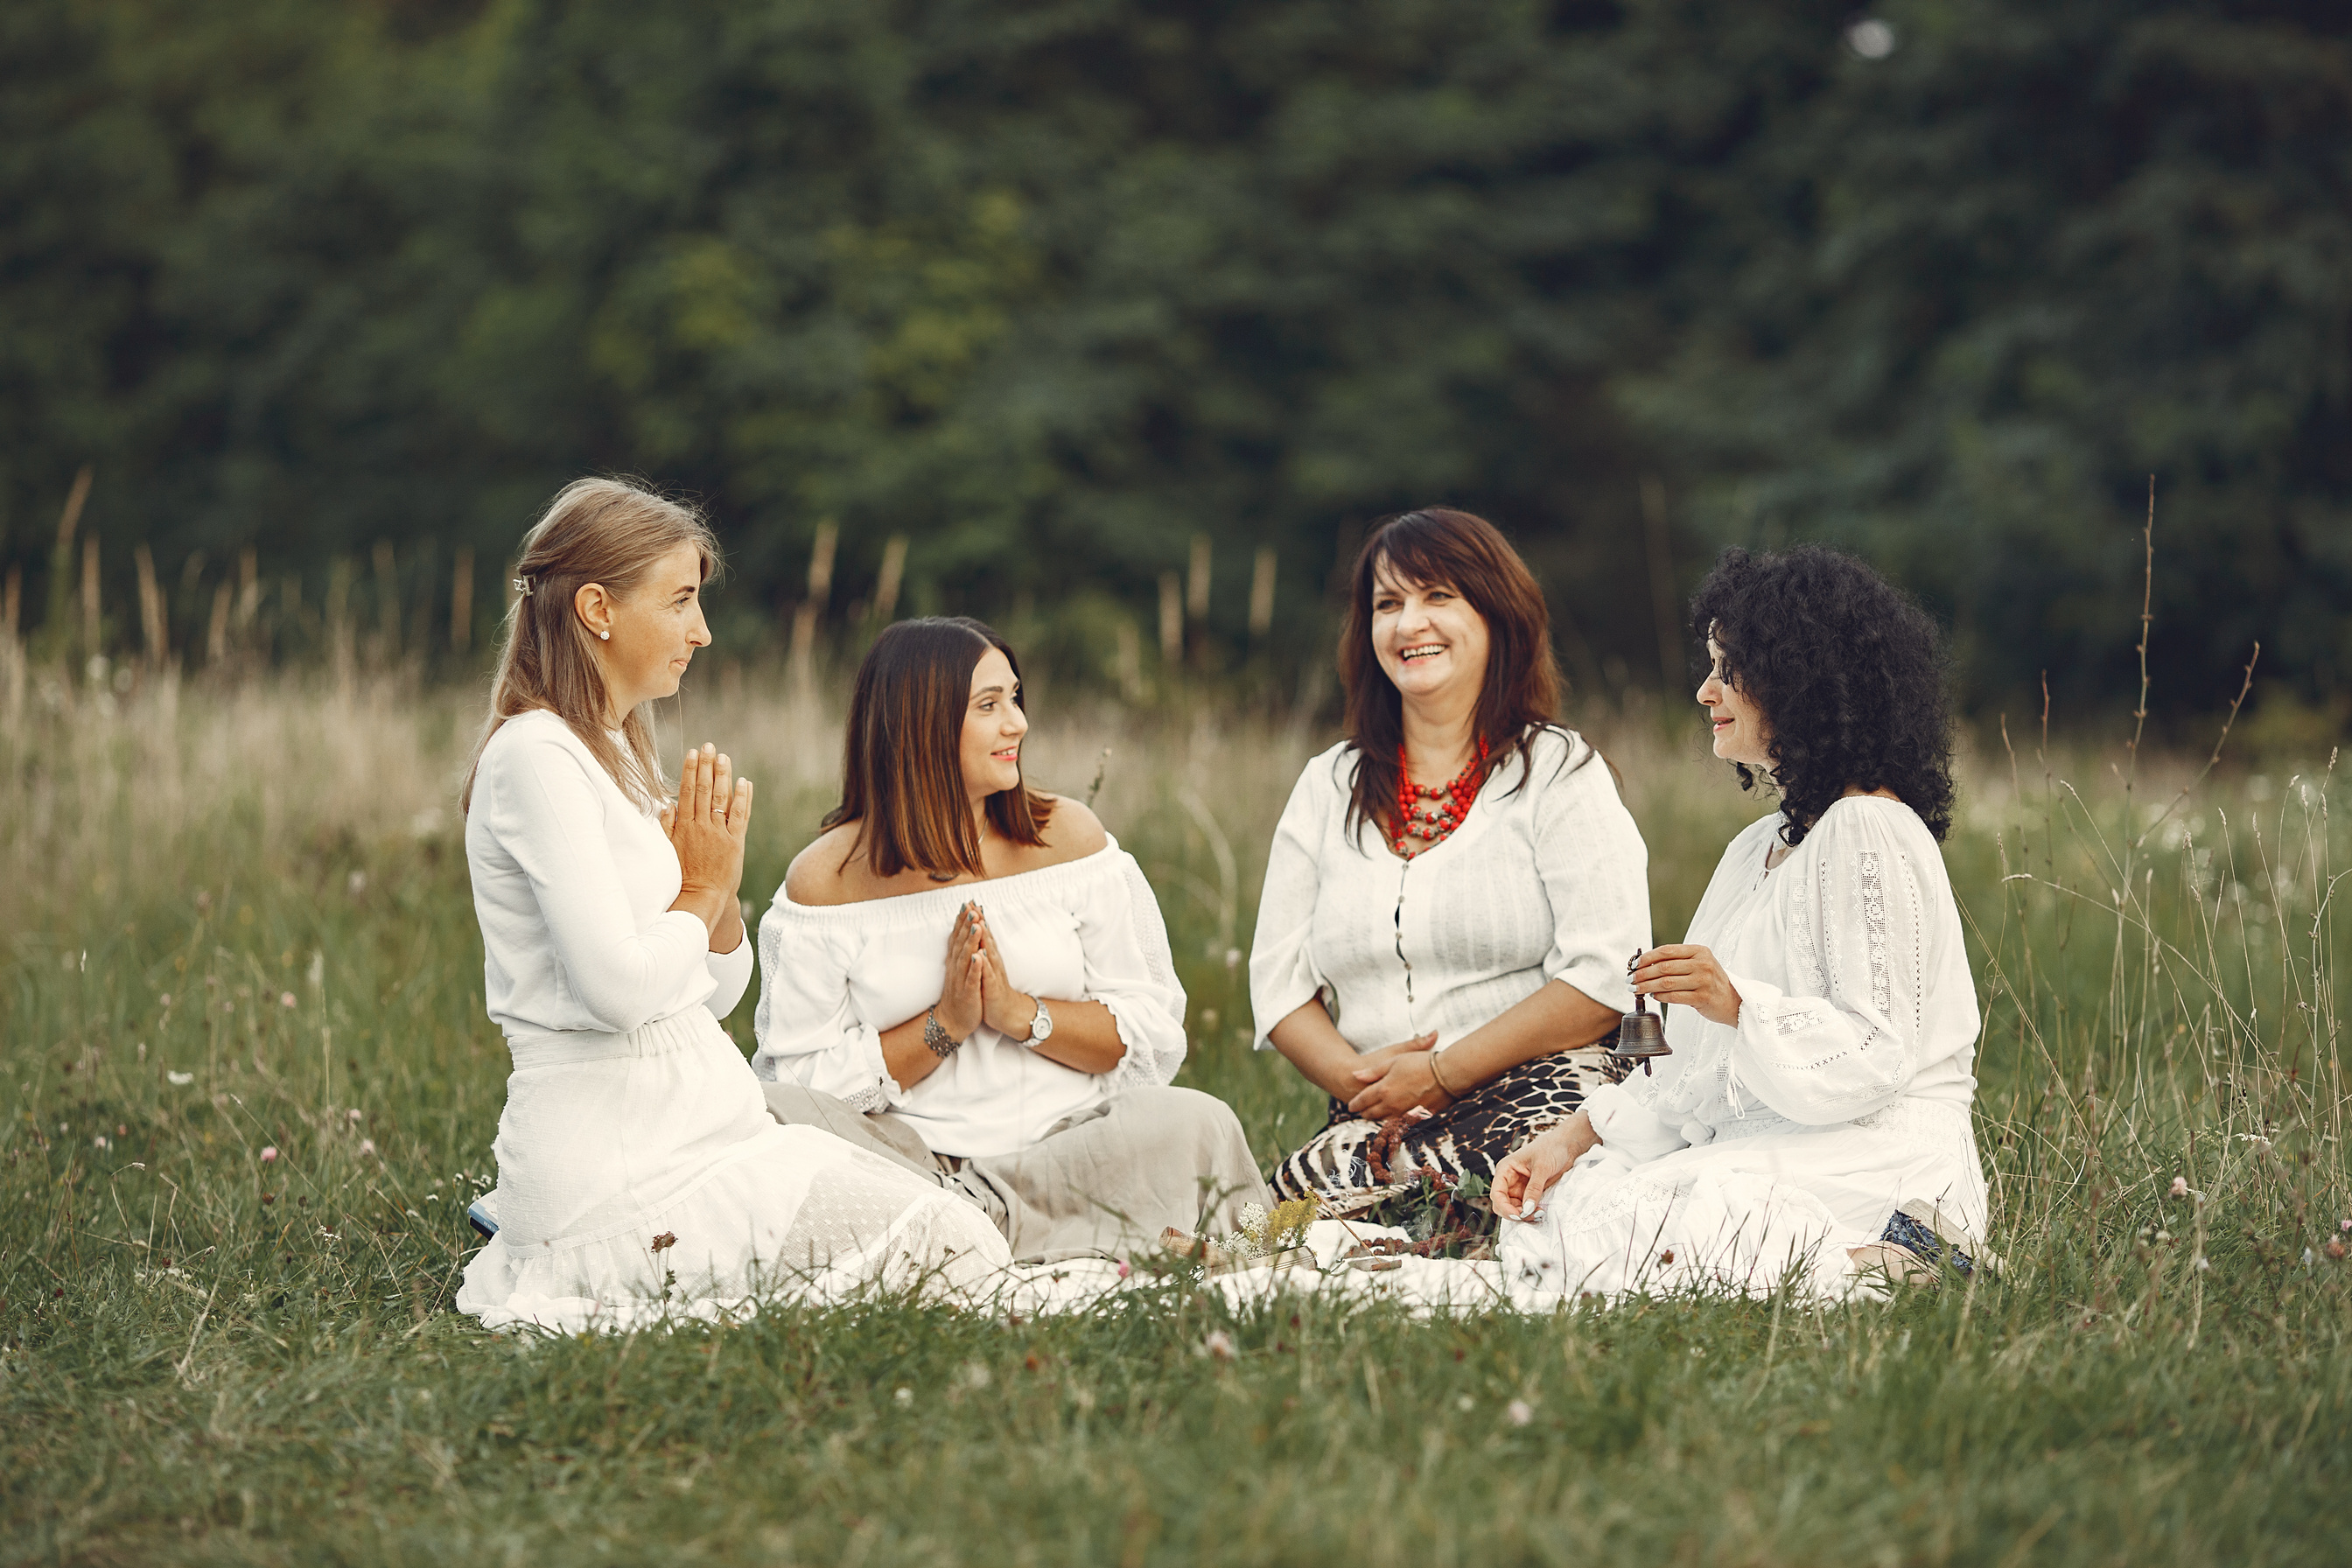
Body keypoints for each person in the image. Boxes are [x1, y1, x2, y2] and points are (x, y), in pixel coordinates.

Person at [453, 480, 1009, 1331]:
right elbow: (617, 990)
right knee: (955, 1250)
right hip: (621, 1171)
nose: (702, 630)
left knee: (963, 1242)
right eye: (680, 601)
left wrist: (718, 903)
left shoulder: (615, 754)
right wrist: (700, 888)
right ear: (598, 607)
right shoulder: (536, 757)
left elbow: (711, 995)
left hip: (704, 1138)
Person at [1493, 543, 1991, 1299]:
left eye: (1728, 670)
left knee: (1647, 1225)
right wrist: (1569, 1139)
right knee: (1569, 1205)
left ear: (1801, 680)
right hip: (1778, 1137)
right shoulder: (1758, 848)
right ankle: (1849, 1268)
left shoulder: (1871, 831)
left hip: (1877, 1156)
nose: (1704, 691)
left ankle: (1908, 1257)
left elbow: (1877, 1051)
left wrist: (1737, 1004)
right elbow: (1689, 1074)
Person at [753, 616, 1270, 1261]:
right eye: (990, 705)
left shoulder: (1068, 840)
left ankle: (972, 1236)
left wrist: (1018, 1014)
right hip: (913, 1169)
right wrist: (944, 1026)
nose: (1018, 723)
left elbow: (1146, 1029)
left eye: (1015, 699)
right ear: (921, 725)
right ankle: (977, 1228)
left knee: (1199, 1122)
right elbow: (803, 1080)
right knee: (777, 1113)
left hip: (1069, 1154)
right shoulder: (827, 881)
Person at [1250, 508, 1652, 1223]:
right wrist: (1369, 1083)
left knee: (1503, 1186)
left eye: (1439, 596)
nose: (1410, 624)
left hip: (1543, 1090)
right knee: (1284, 1218)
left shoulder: (1559, 772)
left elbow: (1604, 977)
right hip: (1382, 1117)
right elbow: (1278, 986)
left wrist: (1442, 1073)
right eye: (1387, 604)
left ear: (1498, 615)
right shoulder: (1327, 785)